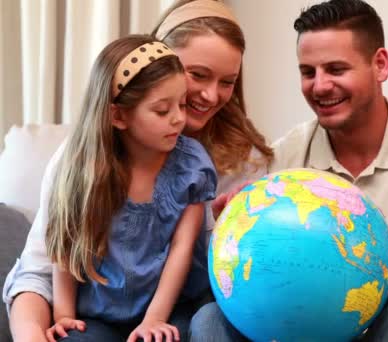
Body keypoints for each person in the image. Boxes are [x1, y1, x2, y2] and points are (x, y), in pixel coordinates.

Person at [190, 0, 388, 341]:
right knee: (210, 318)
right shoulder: (281, 162)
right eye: (308, 72)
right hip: (307, 328)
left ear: (380, 65)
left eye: (336, 69)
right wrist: (232, 233)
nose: (320, 86)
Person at [3, 1, 273, 340]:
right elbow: (44, 264)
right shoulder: (80, 161)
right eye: (198, 74)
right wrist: (38, 330)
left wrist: (227, 231)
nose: (209, 95)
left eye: (227, 81)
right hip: (98, 311)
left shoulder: (241, 162)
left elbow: (247, 276)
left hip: (184, 307)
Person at [40, 34, 217, 341]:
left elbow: (182, 249)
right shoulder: (81, 169)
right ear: (118, 116)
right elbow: (66, 247)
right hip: (98, 315)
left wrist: (154, 320)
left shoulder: (192, 166)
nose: (179, 118)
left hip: (169, 308)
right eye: (163, 110)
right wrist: (64, 316)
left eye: (182, 104)